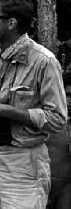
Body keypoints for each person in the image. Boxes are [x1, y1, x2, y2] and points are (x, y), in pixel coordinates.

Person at [0, 0, 67, 208]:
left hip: (23, 163)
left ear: (11, 23)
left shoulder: (44, 62)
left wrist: (5, 111)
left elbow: (57, 119)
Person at [46, 73, 71, 209]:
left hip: (66, 187)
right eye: (67, 95)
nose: (69, 100)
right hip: (38, 181)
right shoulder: (41, 117)